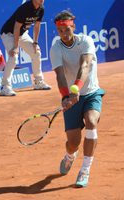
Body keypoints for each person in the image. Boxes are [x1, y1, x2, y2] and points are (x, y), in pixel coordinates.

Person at [50, 10, 105, 187]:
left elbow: (86, 65)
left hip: (91, 93)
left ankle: (85, 169)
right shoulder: (56, 48)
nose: (64, 34)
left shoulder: (86, 41)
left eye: (67, 29)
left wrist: (77, 90)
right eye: (61, 31)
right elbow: (59, 76)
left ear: (73, 26)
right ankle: (70, 155)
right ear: (57, 32)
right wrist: (66, 96)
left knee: (91, 122)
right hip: (71, 96)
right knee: (73, 143)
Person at [0, 0, 51, 96]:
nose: (42, 0)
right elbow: (16, 28)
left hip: (22, 34)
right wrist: (15, 47)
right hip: (9, 34)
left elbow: (37, 26)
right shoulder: (25, 8)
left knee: (36, 52)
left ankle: (38, 82)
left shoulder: (41, 8)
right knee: (13, 57)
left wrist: (35, 42)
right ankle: (5, 86)